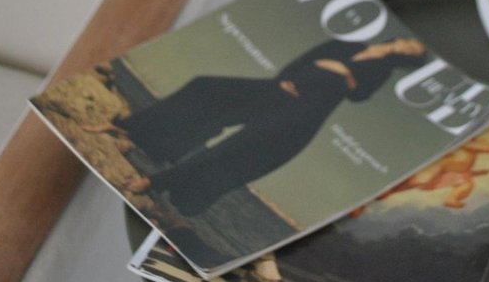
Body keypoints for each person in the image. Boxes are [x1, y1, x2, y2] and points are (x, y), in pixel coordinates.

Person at [111, 36, 427, 216]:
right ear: (400, 39)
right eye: (410, 43)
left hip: (308, 111)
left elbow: (359, 94)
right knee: (206, 88)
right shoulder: (346, 44)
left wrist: (341, 75)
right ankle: (141, 134)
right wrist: (284, 81)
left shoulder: (382, 71)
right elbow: (308, 58)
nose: (408, 47)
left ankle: (155, 181)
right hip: (283, 89)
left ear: (408, 59)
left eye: (413, 52)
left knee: (237, 148)